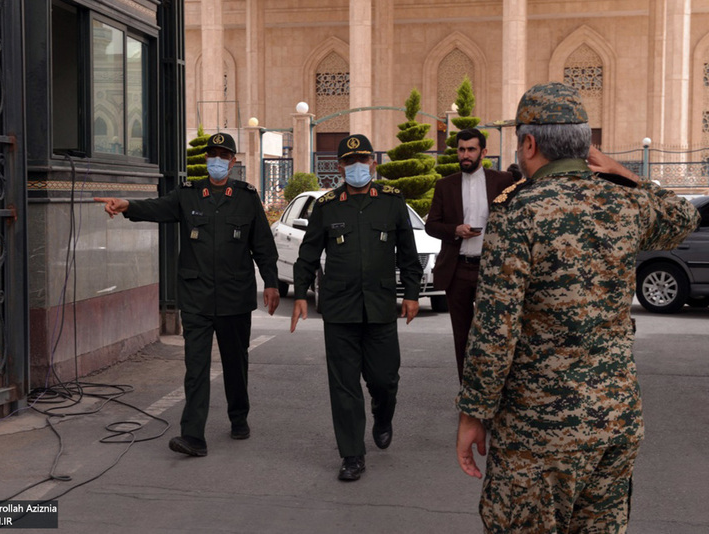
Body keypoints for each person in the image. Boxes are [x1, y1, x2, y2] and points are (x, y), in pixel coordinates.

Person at [455, 82, 700, 532]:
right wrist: (625, 172)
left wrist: (473, 413)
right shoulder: (626, 205)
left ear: (529, 143)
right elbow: (684, 216)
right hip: (615, 421)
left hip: (538, 432)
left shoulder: (517, 213)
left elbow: (495, 330)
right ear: (586, 145)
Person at [95, 133, 280, 457]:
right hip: (196, 297)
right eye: (213, 155)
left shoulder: (246, 197)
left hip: (234, 298)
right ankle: (193, 436)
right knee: (196, 367)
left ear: (233, 162)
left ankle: (239, 417)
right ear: (207, 159)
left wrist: (272, 283)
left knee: (236, 364)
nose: (217, 160)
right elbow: (158, 207)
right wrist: (127, 205)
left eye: (224, 155)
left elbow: (263, 246)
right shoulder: (189, 194)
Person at [290, 134, 423, 482]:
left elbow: (408, 255)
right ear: (340, 167)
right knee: (344, 385)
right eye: (349, 162)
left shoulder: (392, 202)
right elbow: (308, 253)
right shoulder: (327, 205)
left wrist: (412, 295)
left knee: (384, 378)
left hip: (379, 307)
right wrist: (301, 294)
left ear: (373, 164)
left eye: (362, 161)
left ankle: (382, 413)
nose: (356, 167)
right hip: (339, 309)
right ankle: (352, 454)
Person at [425, 128, 515, 383]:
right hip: (458, 270)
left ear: (483, 152)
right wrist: (455, 230)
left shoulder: (503, 181)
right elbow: (431, 225)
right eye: (461, 150)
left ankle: (496, 390)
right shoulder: (445, 185)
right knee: (462, 337)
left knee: (495, 335)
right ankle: (468, 393)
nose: (465, 155)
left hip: (493, 271)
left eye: (471, 149)